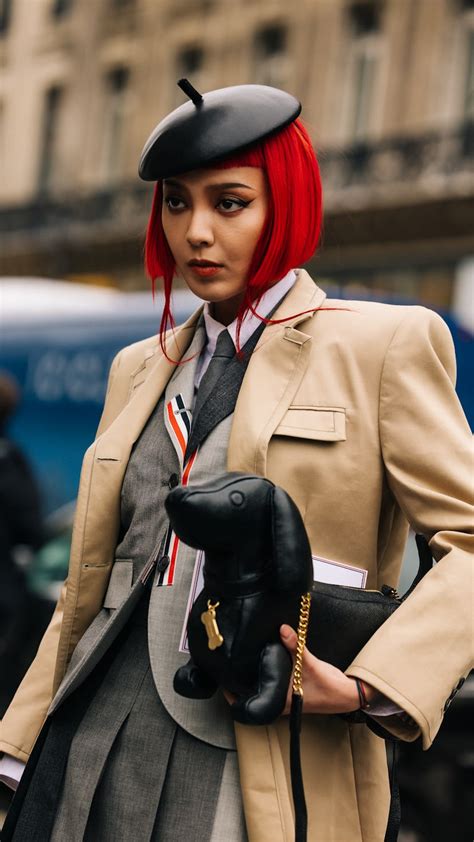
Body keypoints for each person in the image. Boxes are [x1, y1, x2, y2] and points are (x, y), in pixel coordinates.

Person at [0, 79, 472, 842]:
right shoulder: (137, 366)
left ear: (282, 203)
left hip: (257, 744)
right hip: (90, 728)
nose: (196, 232)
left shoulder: (382, 345)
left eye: (229, 202)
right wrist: (16, 746)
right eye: (178, 202)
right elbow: (95, 582)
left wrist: (367, 687)